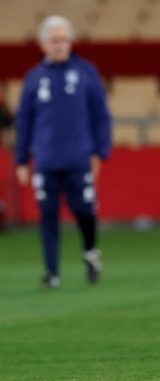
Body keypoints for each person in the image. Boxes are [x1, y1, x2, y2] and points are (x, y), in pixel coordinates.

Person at [15, 15, 111, 289]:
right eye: (53, 40)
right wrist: (22, 159)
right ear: (43, 44)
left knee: (84, 211)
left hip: (79, 158)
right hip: (45, 160)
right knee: (47, 215)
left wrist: (99, 152)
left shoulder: (85, 73)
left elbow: (100, 115)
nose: (59, 45)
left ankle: (90, 252)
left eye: (63, 39)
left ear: (70, 42)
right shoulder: (34, 78)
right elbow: (24, 120)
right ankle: (51, 272)